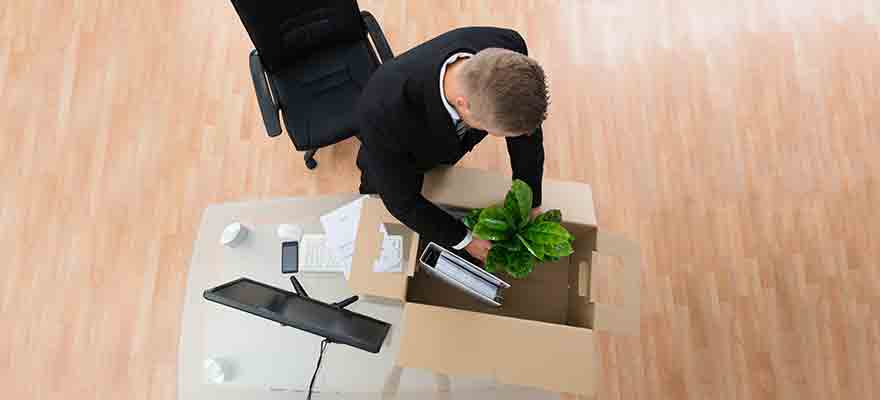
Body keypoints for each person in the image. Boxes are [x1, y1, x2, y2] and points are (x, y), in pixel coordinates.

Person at [355, 27, 549, 262]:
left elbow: (525, 135)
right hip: (399, 149)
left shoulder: (509, 49)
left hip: (441, 139)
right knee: (384, 188)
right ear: (464, 105)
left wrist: (531, 199)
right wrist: (465, 240)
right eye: (496, 132)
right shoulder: (382, 111)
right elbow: (402, 202)